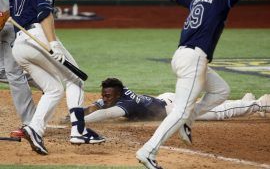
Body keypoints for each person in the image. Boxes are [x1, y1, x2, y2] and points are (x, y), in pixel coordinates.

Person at [135, 0, 265, 168]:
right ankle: (148, 151)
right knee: (180, 112)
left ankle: (190, 120)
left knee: (221, 90)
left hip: (182, 57)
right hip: (194, 60)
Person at [9, 0, 105, 155]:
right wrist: (53, 44)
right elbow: (45, 14)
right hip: (37, 37)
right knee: (75, 79)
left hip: (19, 45)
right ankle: (79, 131)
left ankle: (35, 129)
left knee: (54, 89)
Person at [72, 78, 270, 123]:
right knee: (209, 106)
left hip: (174, 108)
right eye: (104, 94)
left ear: (117, 94)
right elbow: (98, 105)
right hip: (164, 99)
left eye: (107, 95)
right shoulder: (117, 94)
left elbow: (105, 113)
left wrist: (78, 122)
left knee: (218, 113)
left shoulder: (125, 104)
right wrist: (78, 112)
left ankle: (259, 103)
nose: (104, 98)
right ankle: (245, 101)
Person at [0, 0, 37, 135]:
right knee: (6, 73)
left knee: (14, 73)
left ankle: (31, 124)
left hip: (10, 24)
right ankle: (47, 82)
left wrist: (5, 15)